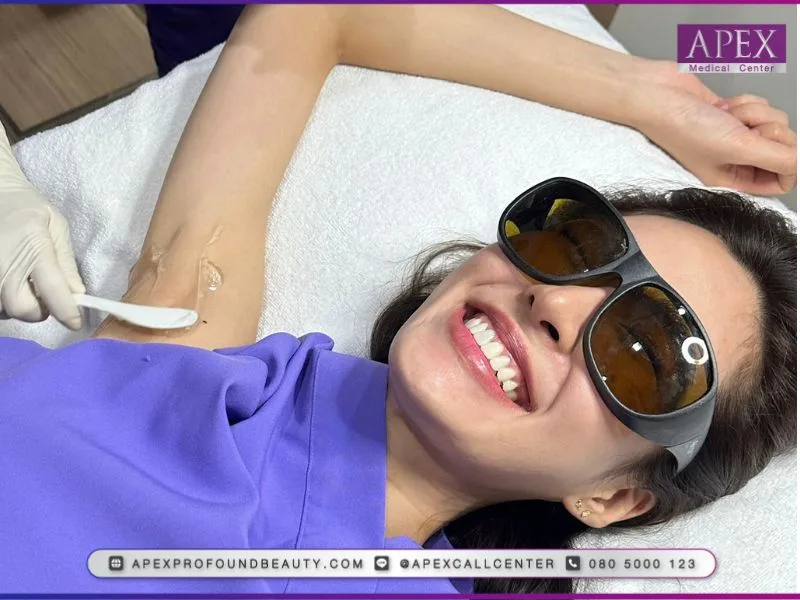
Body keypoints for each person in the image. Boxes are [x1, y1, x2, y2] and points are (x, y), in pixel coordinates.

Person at [0, 5, 796, 594]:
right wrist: (654, 94)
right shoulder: (193, 355)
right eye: (576, 249)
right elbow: (315, 16)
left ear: (613, 496)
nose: (556, 303)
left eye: (644, 352)